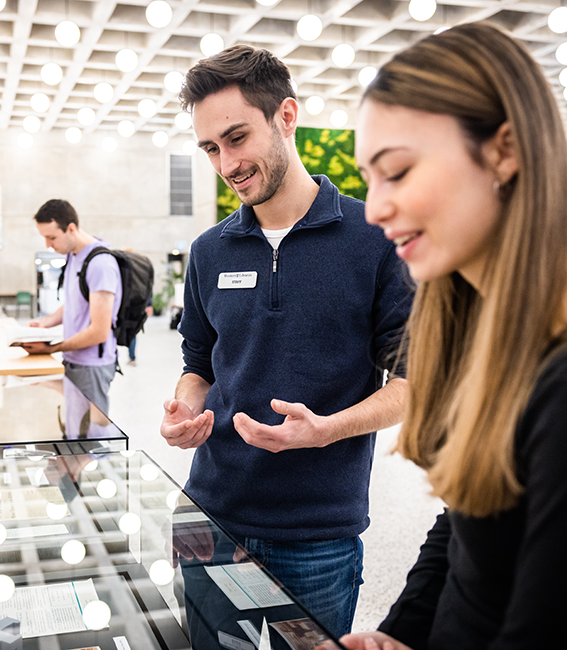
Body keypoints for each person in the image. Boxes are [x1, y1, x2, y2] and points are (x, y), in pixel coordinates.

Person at [342, 22, 567, 650]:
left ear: (504, 151)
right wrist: (402, 634)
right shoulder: (490, 322)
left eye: (397, 172)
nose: (374, 208)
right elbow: (470, 520)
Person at [159, 44, 414, 639]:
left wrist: (325, 429)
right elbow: (198, 363)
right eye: (211, 149)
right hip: (207, 515)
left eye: (237, 138)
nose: (227, 163)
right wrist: (185, 409)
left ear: (287, 117)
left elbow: (411, 383)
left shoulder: (375, 241)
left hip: (316, 534)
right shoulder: (209, 251)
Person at [24, 199, 122, 417]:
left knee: (91, 438)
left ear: (71, 228)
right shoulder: (73, 256)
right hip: (74, 360)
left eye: (51, 237)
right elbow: (76, 301)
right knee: (74, 430)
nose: (48, 245)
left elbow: (99, 331)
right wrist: (45, 322)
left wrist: (52, 348)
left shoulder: (100, 264)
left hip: (92, 365)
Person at [127, 299, 153, 366]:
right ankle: (132, 358)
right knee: (133, 333)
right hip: (139, 308)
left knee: (131, 333)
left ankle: (131, 358)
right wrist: (149, 304)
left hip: (130, 308)